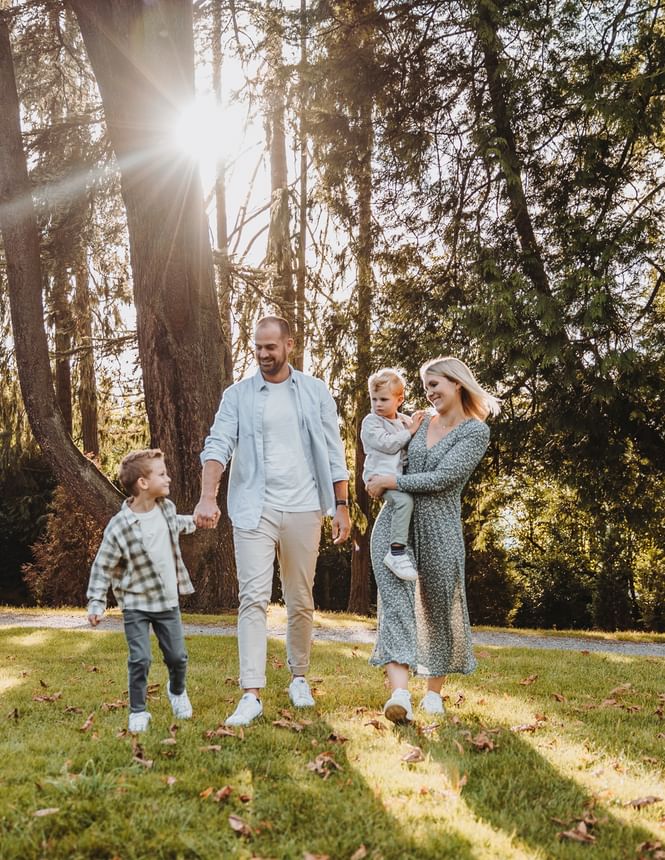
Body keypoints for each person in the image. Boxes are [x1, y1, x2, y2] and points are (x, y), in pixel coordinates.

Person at [194, 315, 350, 727]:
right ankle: (251, 694)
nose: (264, 354)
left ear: (289, 346)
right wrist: (208, 496)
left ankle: (299, 677)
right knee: (253, 598)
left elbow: (335, 452)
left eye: (271, 347)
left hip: (304, 507)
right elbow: (217, 444)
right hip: (253, 507)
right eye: (258, 347)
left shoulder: (315, 392)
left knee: (300, 596)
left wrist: (342, 505)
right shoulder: (238, 395)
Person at [366, 356, 500, 723]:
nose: (430, 393)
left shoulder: (475, 432)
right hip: (395, 527)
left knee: (439, 609)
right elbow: (386, 452)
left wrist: (393, 482)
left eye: (435, 385)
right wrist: (378, 477)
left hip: (440, 529)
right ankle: (399, 695)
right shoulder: (419, 423)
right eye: (425, 387)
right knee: (395, 606)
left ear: (456, 384)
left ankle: (433, 695)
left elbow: (445, 478)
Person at [86, 449, 196, 733]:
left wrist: (199, 520)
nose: (168, 477)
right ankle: (138, 710)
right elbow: (103, 566)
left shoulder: (167, 509)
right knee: (140, 658)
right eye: (162, 474)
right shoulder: (120, 526)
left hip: (167, 601)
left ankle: (177, 691)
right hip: (135, 603)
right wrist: (97, 603)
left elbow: (180, 524)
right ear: (143, 483)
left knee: (177, 657)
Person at [360, 368, 425, 582]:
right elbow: (388, 445)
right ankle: (396, 552)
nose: (378, 404)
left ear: (399, 399)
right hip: (378, 477)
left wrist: (416, 423)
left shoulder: (403, 421)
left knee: (407, 502)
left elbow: (416, 429)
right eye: (374, 399)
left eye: (384, 399)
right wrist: (411, 431)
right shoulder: (371, 422)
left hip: (396, 477)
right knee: (404, 502)